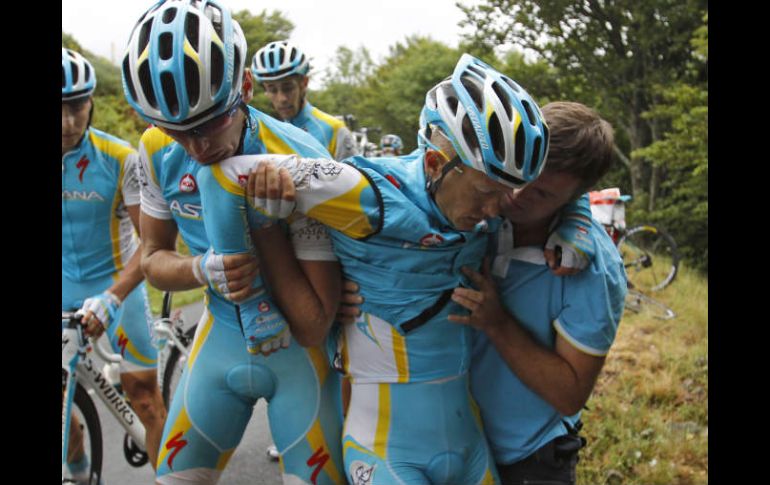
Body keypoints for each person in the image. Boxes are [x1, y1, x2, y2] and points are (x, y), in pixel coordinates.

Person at [238, 54, 594, 485]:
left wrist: (578, 219)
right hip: (387, 450)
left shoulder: (489, 198)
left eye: (507, 194)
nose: (496, 211)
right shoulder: (366, 193)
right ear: (433, 165)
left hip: (470, 445)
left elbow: (564, 183)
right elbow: (223, 169)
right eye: (485, 193)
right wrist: (314, 270)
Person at [120, 1, 344, 483]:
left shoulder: (302, 155)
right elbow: (153, 258)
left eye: (208, 124)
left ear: (243, 88)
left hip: (300, 358)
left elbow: (313, 326)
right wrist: (201, 269)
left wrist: (266, 231)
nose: (197, 148)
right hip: (218, 337)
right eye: (178, 131)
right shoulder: (155, 149)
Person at [449, 101, 627, 485]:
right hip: (443, 441)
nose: (517, 194)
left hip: (526, 459)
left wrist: (497, 324)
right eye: (521, 173)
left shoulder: (595, 270)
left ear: (576, 196)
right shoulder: (475, 211)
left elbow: (569, 394)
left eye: (543, 193)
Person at [62, 46, 167, 480]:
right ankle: (82, 473)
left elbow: (151, 244)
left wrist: (111, 296)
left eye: (76, 107)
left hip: (117, 290)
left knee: (144, 399)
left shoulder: (120, 157)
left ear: (90, 102)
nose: (68, 122)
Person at [251, 40, 358, 161]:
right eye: (273, 90)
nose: (282, 99)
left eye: (288, 88)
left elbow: (358, 179)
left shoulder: (334, 130)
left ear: (304, 83)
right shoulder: (264, 133)